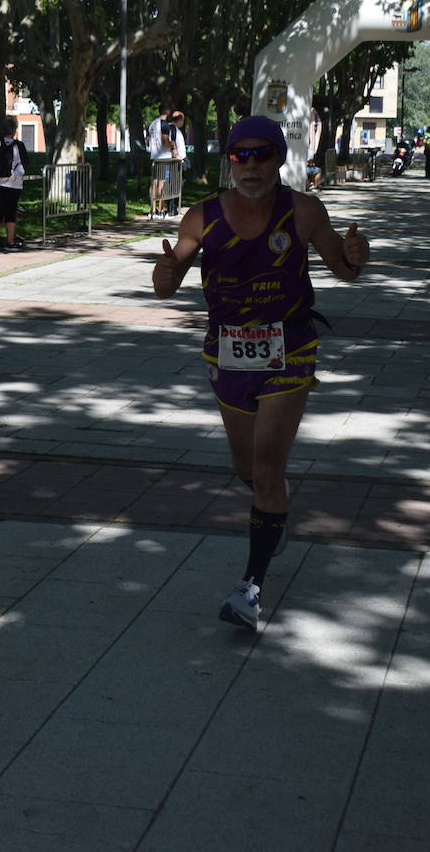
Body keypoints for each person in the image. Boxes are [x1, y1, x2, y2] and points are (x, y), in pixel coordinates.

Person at [151, 116, 369, 632]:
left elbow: (344, 267)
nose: (250, 165)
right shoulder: (202, 216)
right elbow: (166, 283)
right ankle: (273, 510)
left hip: (290, 348)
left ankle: (250, 589)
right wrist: (166, 272)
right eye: (239, 156)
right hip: (227, 353)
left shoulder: (303, 211)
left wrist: (357, 255)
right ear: (229, 161)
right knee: (247, 467)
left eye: (261, 154)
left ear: (278, 158)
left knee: (268, 468)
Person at [0, 117, 28, 252]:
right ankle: (10, 241)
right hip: (14, 185)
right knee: (10, 213)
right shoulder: (19, 146)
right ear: (14, 130)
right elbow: (25, 164)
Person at [148, 105, 179, 218]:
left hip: (154, 157)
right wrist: (173, 144)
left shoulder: (152, 124)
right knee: (163, 183)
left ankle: (152, 209)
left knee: (154, 183)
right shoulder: (164, 124)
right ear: (167, 111)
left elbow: (148, 140)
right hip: (164, 158)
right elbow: (165, 141)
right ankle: (160, 210)